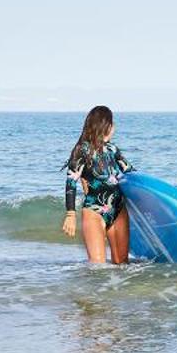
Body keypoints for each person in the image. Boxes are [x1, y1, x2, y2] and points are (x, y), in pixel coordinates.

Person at [61, 105, 132, 265]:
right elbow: (70, 182)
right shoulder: (81, 150)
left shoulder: (112, 149)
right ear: (103, 125)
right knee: (98, 267)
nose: (114, 128)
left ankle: (121, 291)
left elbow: (131, 173)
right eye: (111, 124)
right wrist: (70, 215)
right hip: (94, 210)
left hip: (118, 209)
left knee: (122, 264)